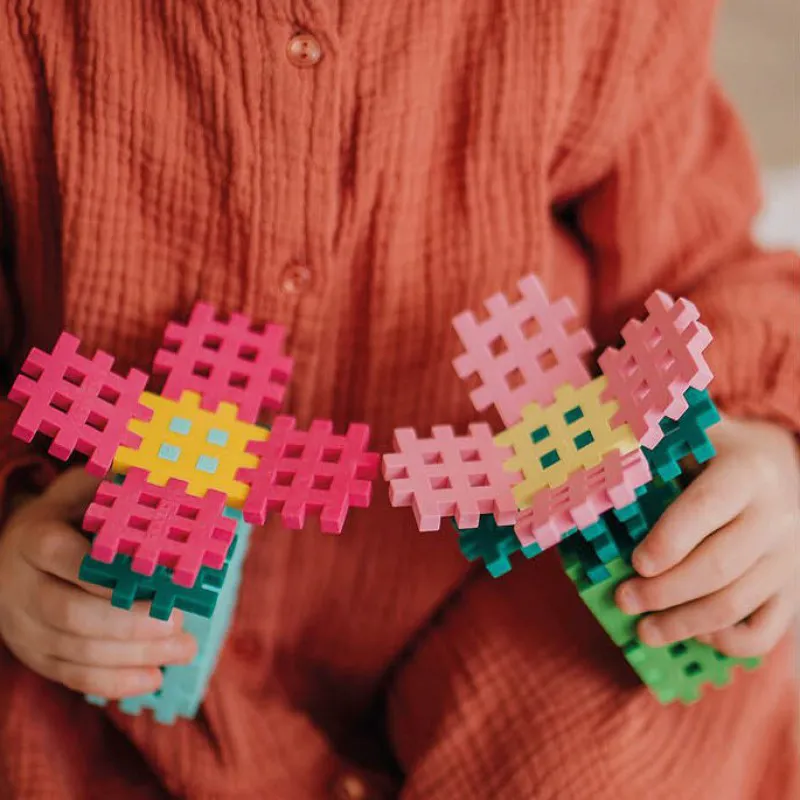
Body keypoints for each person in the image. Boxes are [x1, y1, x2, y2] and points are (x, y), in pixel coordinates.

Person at [0, 2, 797, 798]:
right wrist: (13, 525)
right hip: (107, 627)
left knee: (673, 720)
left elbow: (702, 266)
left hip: (505, 593)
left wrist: (758, 449)